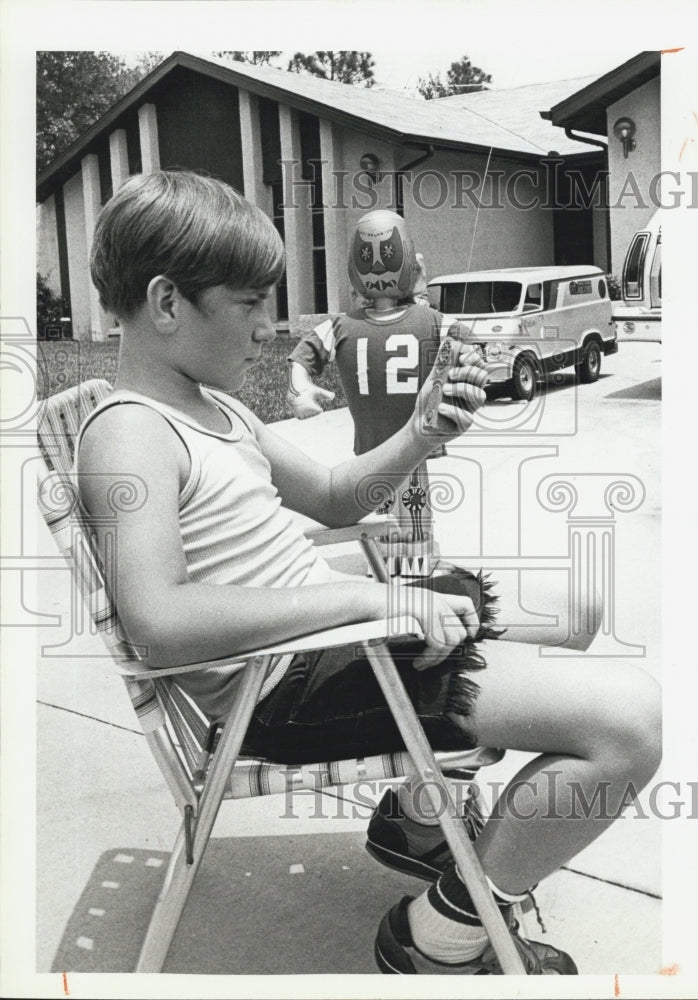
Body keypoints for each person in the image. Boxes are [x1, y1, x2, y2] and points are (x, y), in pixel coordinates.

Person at [78, 170, 661, 976]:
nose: (267, 329)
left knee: (576, 609)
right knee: (629, 726)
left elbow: (330, 494)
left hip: (332, 643)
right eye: (248, 304)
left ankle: (419, 819)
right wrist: (367, 595)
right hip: (279, 689)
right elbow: (160, 622)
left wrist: (422, 432)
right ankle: (442, 935)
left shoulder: (214, 409)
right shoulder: (130, 434)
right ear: (167, 302)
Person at [286, 211, 457, 578]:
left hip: (387, 440)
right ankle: (408, 560)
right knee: (408, 503)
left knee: (388, 502)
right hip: (408, 439)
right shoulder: (429, 319)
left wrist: (300, 387)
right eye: (368, 255)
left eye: (387, 253)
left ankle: (389, 560)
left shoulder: (342, 325)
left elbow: (303, 355)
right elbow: (464, 342)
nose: (378, 265)